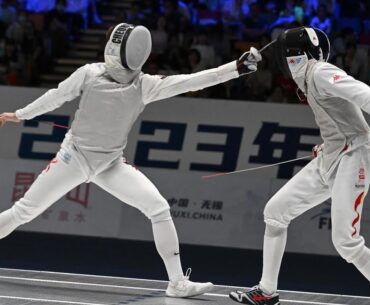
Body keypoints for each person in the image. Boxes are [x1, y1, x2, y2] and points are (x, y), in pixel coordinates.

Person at [0, 23, 261, 298]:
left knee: (159, 208)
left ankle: (177, 283)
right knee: (24, 212)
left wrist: (236, 68)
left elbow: (192, 80)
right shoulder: (88, 74)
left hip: (110, 165)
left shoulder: (144, 85)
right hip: (73, 158)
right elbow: (57, 96)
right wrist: (21, 114)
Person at [229, 26, 370, 305]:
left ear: (294, 55)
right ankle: (266, 293)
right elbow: (336, 117)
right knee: (275, 212)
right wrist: (328, 142)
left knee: (346, 242)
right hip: (331, 155)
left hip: (355, 154)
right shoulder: (307, 77)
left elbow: (363, 93)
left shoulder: (319, 72)